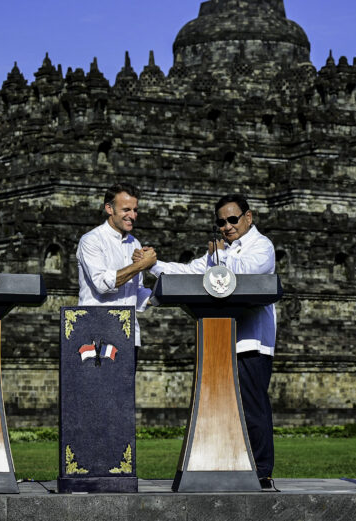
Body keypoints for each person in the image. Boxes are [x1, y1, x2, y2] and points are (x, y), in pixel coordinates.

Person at [146, 193, 277, 488]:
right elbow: (190, 272)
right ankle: (230, 466)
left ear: (248, 217)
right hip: (219, 343)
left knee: (252, 408)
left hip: (251, 342)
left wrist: (221, 257)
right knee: (225, 409)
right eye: (221, 222)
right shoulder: (219, 252)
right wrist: (152, 266)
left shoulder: (261, 246)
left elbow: (243, 274)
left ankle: (262, 472)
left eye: (232, 219)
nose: (227, 226)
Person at [76, 183, 156, 351]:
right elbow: (102, 284)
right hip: (97, 333)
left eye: (135, 210)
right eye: (126, 210)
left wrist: (164, 294)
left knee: (128, 378)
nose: (132, 216)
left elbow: (136, 290)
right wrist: (141, 265)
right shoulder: (91, 240)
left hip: (128, 334)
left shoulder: (135, 243)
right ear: (109, 209)